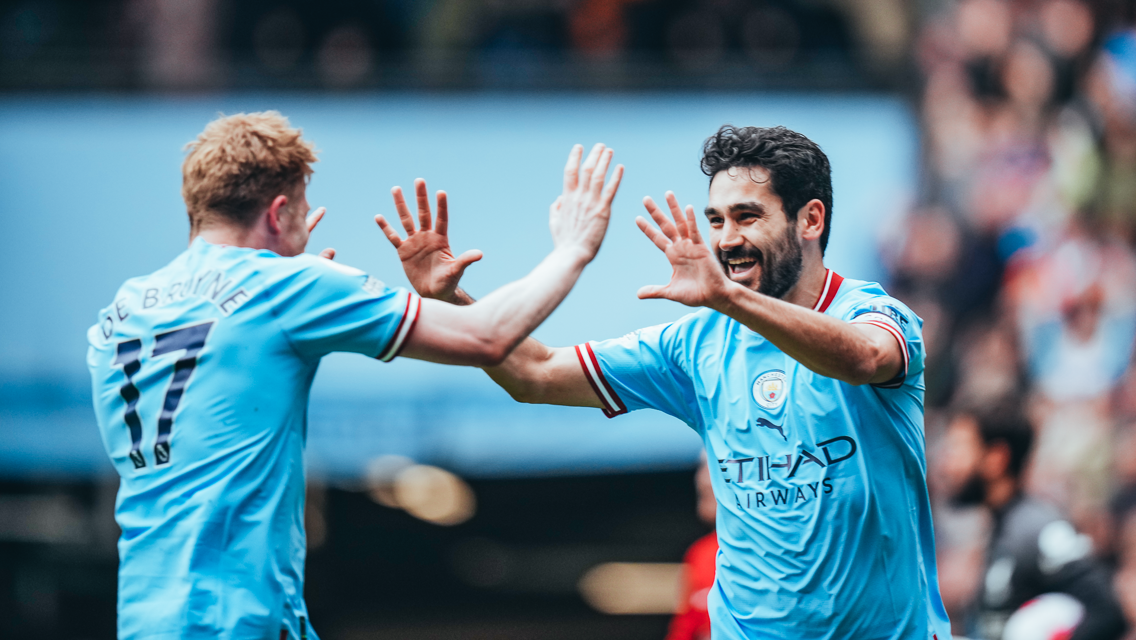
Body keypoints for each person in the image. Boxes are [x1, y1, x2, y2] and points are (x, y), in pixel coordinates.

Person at [382, 124, 951, 638]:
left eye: (747, 217)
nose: (726, 239)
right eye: (716, 221)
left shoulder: (872, 312)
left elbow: (862, 359)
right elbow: (534, 374)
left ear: (810, 219)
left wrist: (727, 299)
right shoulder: (693, 343)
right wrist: (450, 301)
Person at [86, 111, 623, 639]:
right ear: (277, 214)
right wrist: (574, 248)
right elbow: (486, 337)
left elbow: (221, 388)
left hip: (147, 615)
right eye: (302, 208)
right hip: (234, 617)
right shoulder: (283, 286)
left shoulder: (122, 312)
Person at [941, 403, 1127, 640]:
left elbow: (1107, 613)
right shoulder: (1001, 528)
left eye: (958, 449)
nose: (947, 465)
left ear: (996, 458)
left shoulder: (1040, 529)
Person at [665, 455, 718, 640]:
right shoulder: (700, 552)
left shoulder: (770, 550)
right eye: (702, 466)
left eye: (716, 465)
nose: (703, 480)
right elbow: (684, 628)